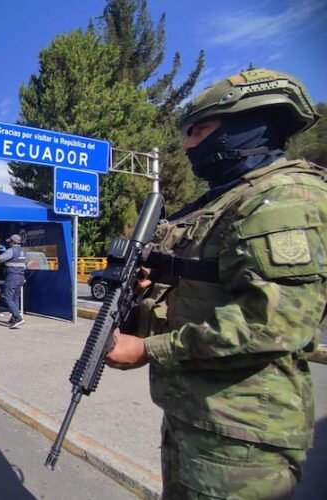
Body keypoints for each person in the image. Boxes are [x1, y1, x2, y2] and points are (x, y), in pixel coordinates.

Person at [104, 69, 326, 498]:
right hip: (198, 415)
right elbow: (206, 284)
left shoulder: (281, 198)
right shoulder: (227, 200)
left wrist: (149, 349)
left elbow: (273, 323)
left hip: (241, 432)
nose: (188, 145)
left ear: (247, 125)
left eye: (200, 130)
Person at [0, 234, 27, 328]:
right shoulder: (22, 251)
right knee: (15, 298)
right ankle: (14, 318)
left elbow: (0, 259)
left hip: (12, 277)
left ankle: (18, 318)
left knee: (7, 297)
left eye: (10, 241)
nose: (9, 243)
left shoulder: (11, 250)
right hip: (21, 276)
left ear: (13, 242)